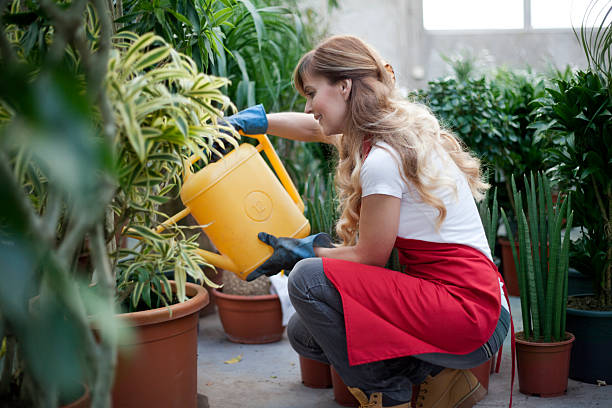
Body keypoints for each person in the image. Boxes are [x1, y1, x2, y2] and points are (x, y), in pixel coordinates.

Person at [225, 35, 510, 408]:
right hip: (475, 305)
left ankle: (388, 396)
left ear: (344, 86)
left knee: (307, 280)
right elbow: (313, 128)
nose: (309, 106)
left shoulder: (383, 157)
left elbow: (370, 256)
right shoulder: (388, 132)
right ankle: (442, 379)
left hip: (471, 312)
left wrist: (304, 251)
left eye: (311, 93)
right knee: (305, 333)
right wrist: (250, 124)